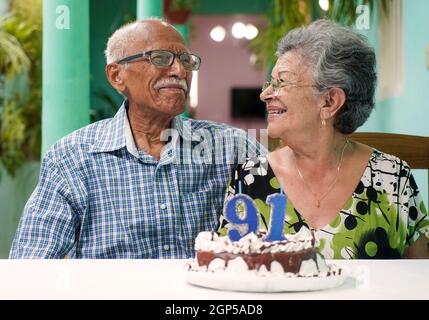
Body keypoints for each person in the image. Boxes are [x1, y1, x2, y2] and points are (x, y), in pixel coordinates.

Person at [10, 19, 264, 258]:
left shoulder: (234, 148)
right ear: (116, 76)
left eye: (185, 60)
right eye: (160, 58)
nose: (179, 70)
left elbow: (279, 244)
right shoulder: (72, 157)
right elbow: (33, 262)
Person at [218, 20, 429, 259]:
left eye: (281, 82)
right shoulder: (249, 178)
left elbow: (421, 278)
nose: (264, 94)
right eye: (270, 83)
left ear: (329, 101)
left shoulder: (392, 178)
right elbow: (231, 271)